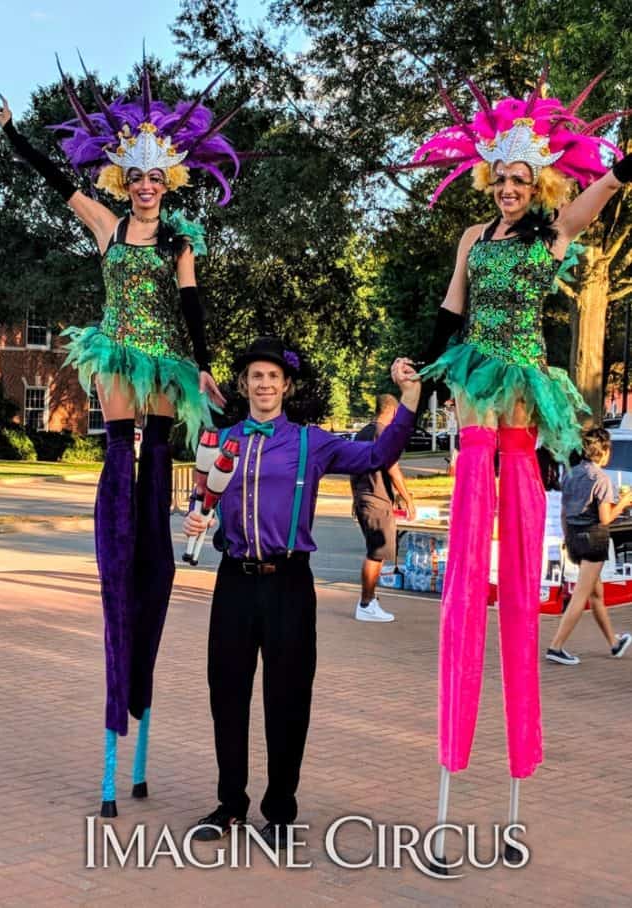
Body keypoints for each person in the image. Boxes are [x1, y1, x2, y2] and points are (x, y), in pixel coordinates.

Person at [0, 62, 240, 816]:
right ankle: (119, 529)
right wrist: (9, 136)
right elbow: (49, 179)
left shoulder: (181, 242)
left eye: (155, 179)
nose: (143, 189)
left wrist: (203, 371)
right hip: (117, 361)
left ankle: (150, 547)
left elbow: (193, 312)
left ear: (169, 181)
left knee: (158, 456)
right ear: (122, 181)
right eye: (133, 179)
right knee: (121, 457)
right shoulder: (104, 226)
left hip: (165, 364)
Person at [398, 70, 632, 792]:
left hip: (525, 378)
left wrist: (623, 164)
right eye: (501, 178)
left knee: (522, 509)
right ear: (488, 179)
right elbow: (449, 308)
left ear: (538, 186)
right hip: (475, 373)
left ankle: (522, 718)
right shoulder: (473, 235)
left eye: (522, 180)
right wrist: (419, 372)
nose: (509, 189)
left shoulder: (553, 234)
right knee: (472, 516)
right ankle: (462, 663)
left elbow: (600, 198)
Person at [183, 338, 420, 848]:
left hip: (289, 582)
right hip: (233, 581)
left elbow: (380, 452)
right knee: (226, 694)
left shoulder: (312, 442)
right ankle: (230, 803)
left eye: (272, 376)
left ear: (286, 385)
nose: (264, 384)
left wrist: (410, 399)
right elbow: (203, 496)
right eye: (255, 376)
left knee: (287, 699)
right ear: (244, 384)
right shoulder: (224, 440)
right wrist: (198, 515)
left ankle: (280, 811)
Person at [546, 428, 632, 665]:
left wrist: (568, 538)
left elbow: (564, 512)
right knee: (581, 595)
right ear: (603, 451)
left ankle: (614, 643)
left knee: (596, 594)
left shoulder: (572, 475)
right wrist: (623, 503)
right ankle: (556, 646)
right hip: (594, 538)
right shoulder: (602, 479)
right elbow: (605, 518)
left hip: (573, 536)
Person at [350, 393, 415, 622]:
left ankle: (370, 600)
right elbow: (392, 468)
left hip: (365, 498)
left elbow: (353, 467)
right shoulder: (382, 433)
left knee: (376, 551)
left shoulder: (362, 433)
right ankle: (366, 603)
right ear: (394, 412)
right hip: (376, 500)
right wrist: (407, 498)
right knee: (376, 553)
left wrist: (355, 499)